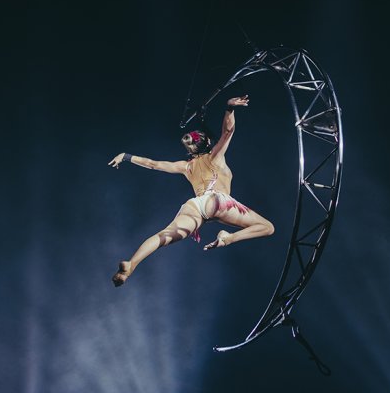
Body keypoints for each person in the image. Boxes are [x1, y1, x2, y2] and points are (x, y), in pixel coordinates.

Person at [107, 95, 274, 287]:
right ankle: (227, 239)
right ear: (208, 144)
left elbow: (153, 164)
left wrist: (126, 156)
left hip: (195, 206)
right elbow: (228, 131)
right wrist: (229, 108)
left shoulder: (186, 166)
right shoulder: (214, 158)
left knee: (163, 236)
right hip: (218, 201)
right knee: (267, 227)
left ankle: (131, 264)